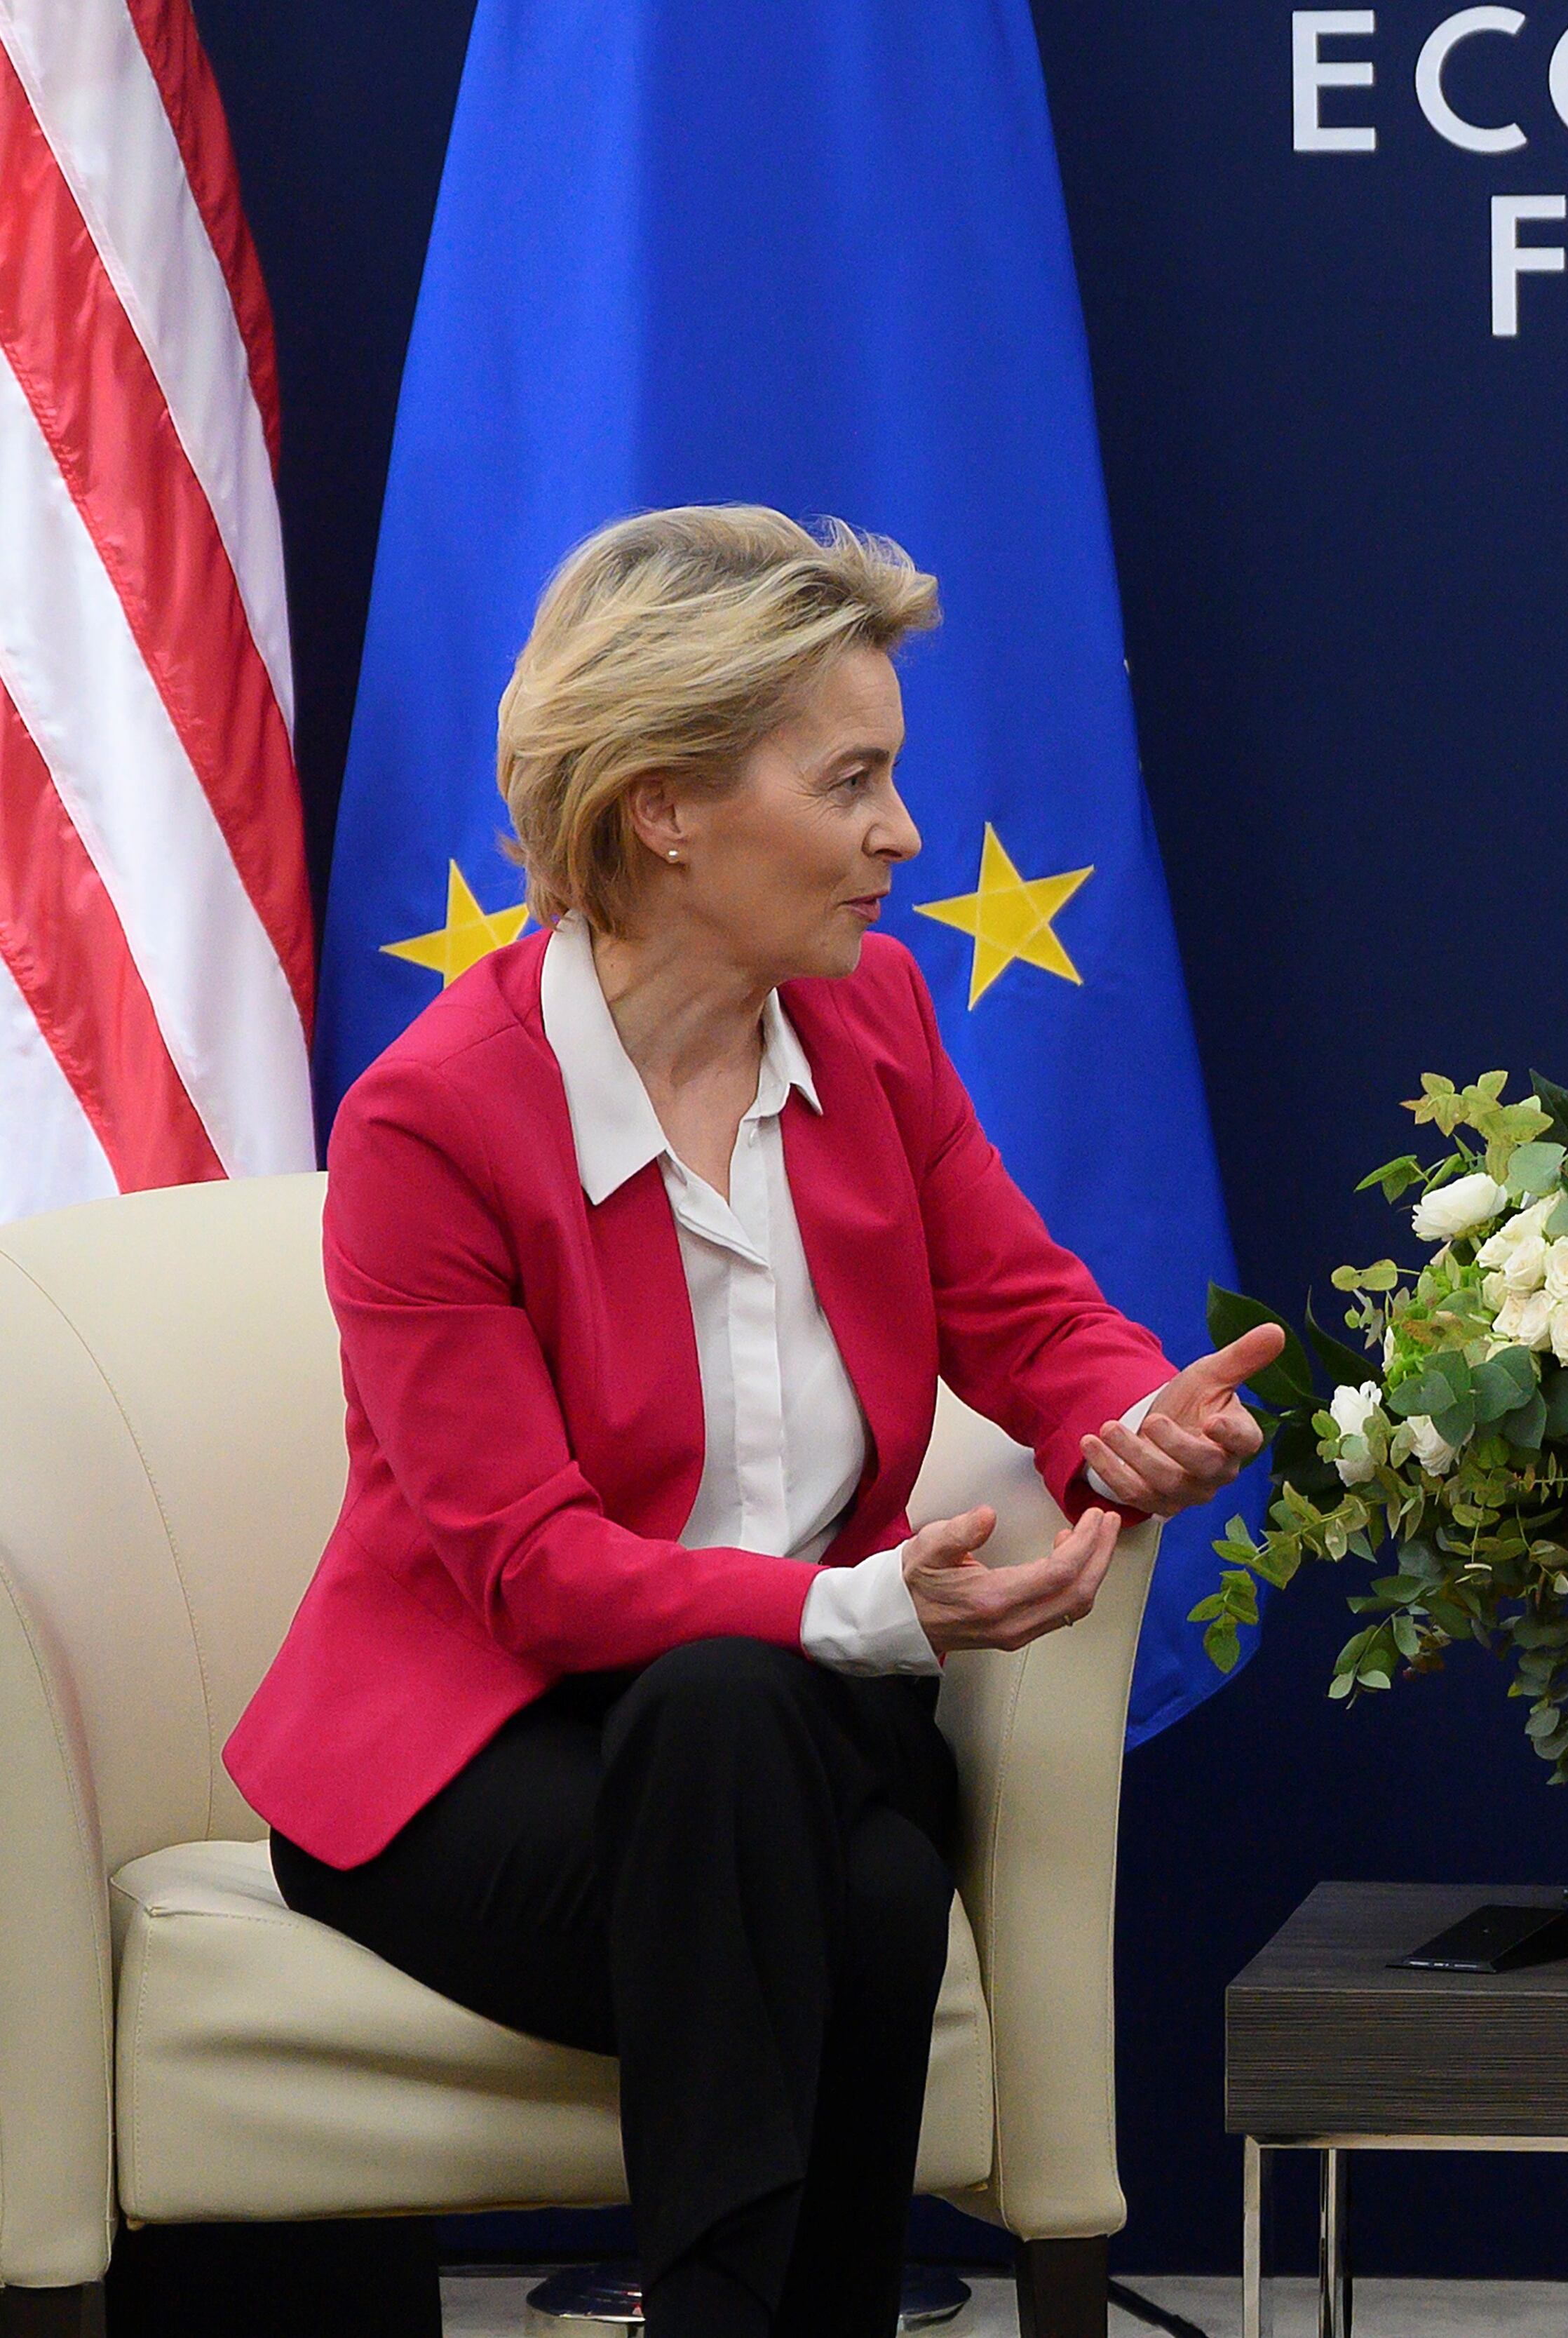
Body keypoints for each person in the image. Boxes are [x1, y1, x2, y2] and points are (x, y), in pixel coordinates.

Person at [224, 506, 1278, 2338]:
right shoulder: (434, 1125)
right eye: (853, 780)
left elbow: (1020, 1307)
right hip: (479, 1773)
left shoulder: (868, 1018)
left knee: (749, 1734)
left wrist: (1124, 1419)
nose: (905, 836)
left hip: (781, 1725)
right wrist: (873, 1614)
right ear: (665, 807)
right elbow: (537, 1580)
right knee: (860, 1882)